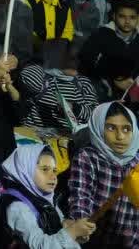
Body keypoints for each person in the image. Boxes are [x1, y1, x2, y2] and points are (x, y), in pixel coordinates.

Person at [67, 102, 139, 246]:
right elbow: (80, 196)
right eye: (111, 128)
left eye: (126, 129)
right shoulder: (88, 157)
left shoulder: (136, 162)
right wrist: (82, 226)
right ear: (99, 128)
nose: (120, 136)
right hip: (95, 241)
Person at [0, 144, 95, 248]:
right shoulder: (18, 208)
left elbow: (56, 224)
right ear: (25, 169)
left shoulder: (45, 196)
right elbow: (39, 245)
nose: (53, 177)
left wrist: (68, 226)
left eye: (54, 170)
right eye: (45, 169)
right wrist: (72, 232)